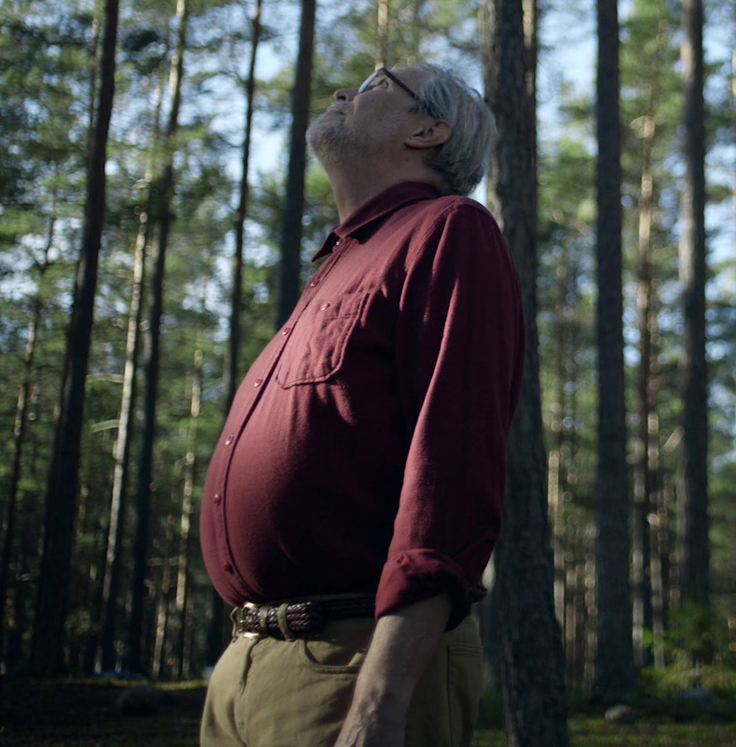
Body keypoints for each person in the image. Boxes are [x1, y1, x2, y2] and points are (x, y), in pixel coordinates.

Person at [200, 63, 523, 747]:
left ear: (428, 131)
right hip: (247, 667)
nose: (345, 91)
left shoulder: (449, 230)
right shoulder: (337, 264)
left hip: (351, 667)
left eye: (378, 83)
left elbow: (452, 473)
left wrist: (381, 697)